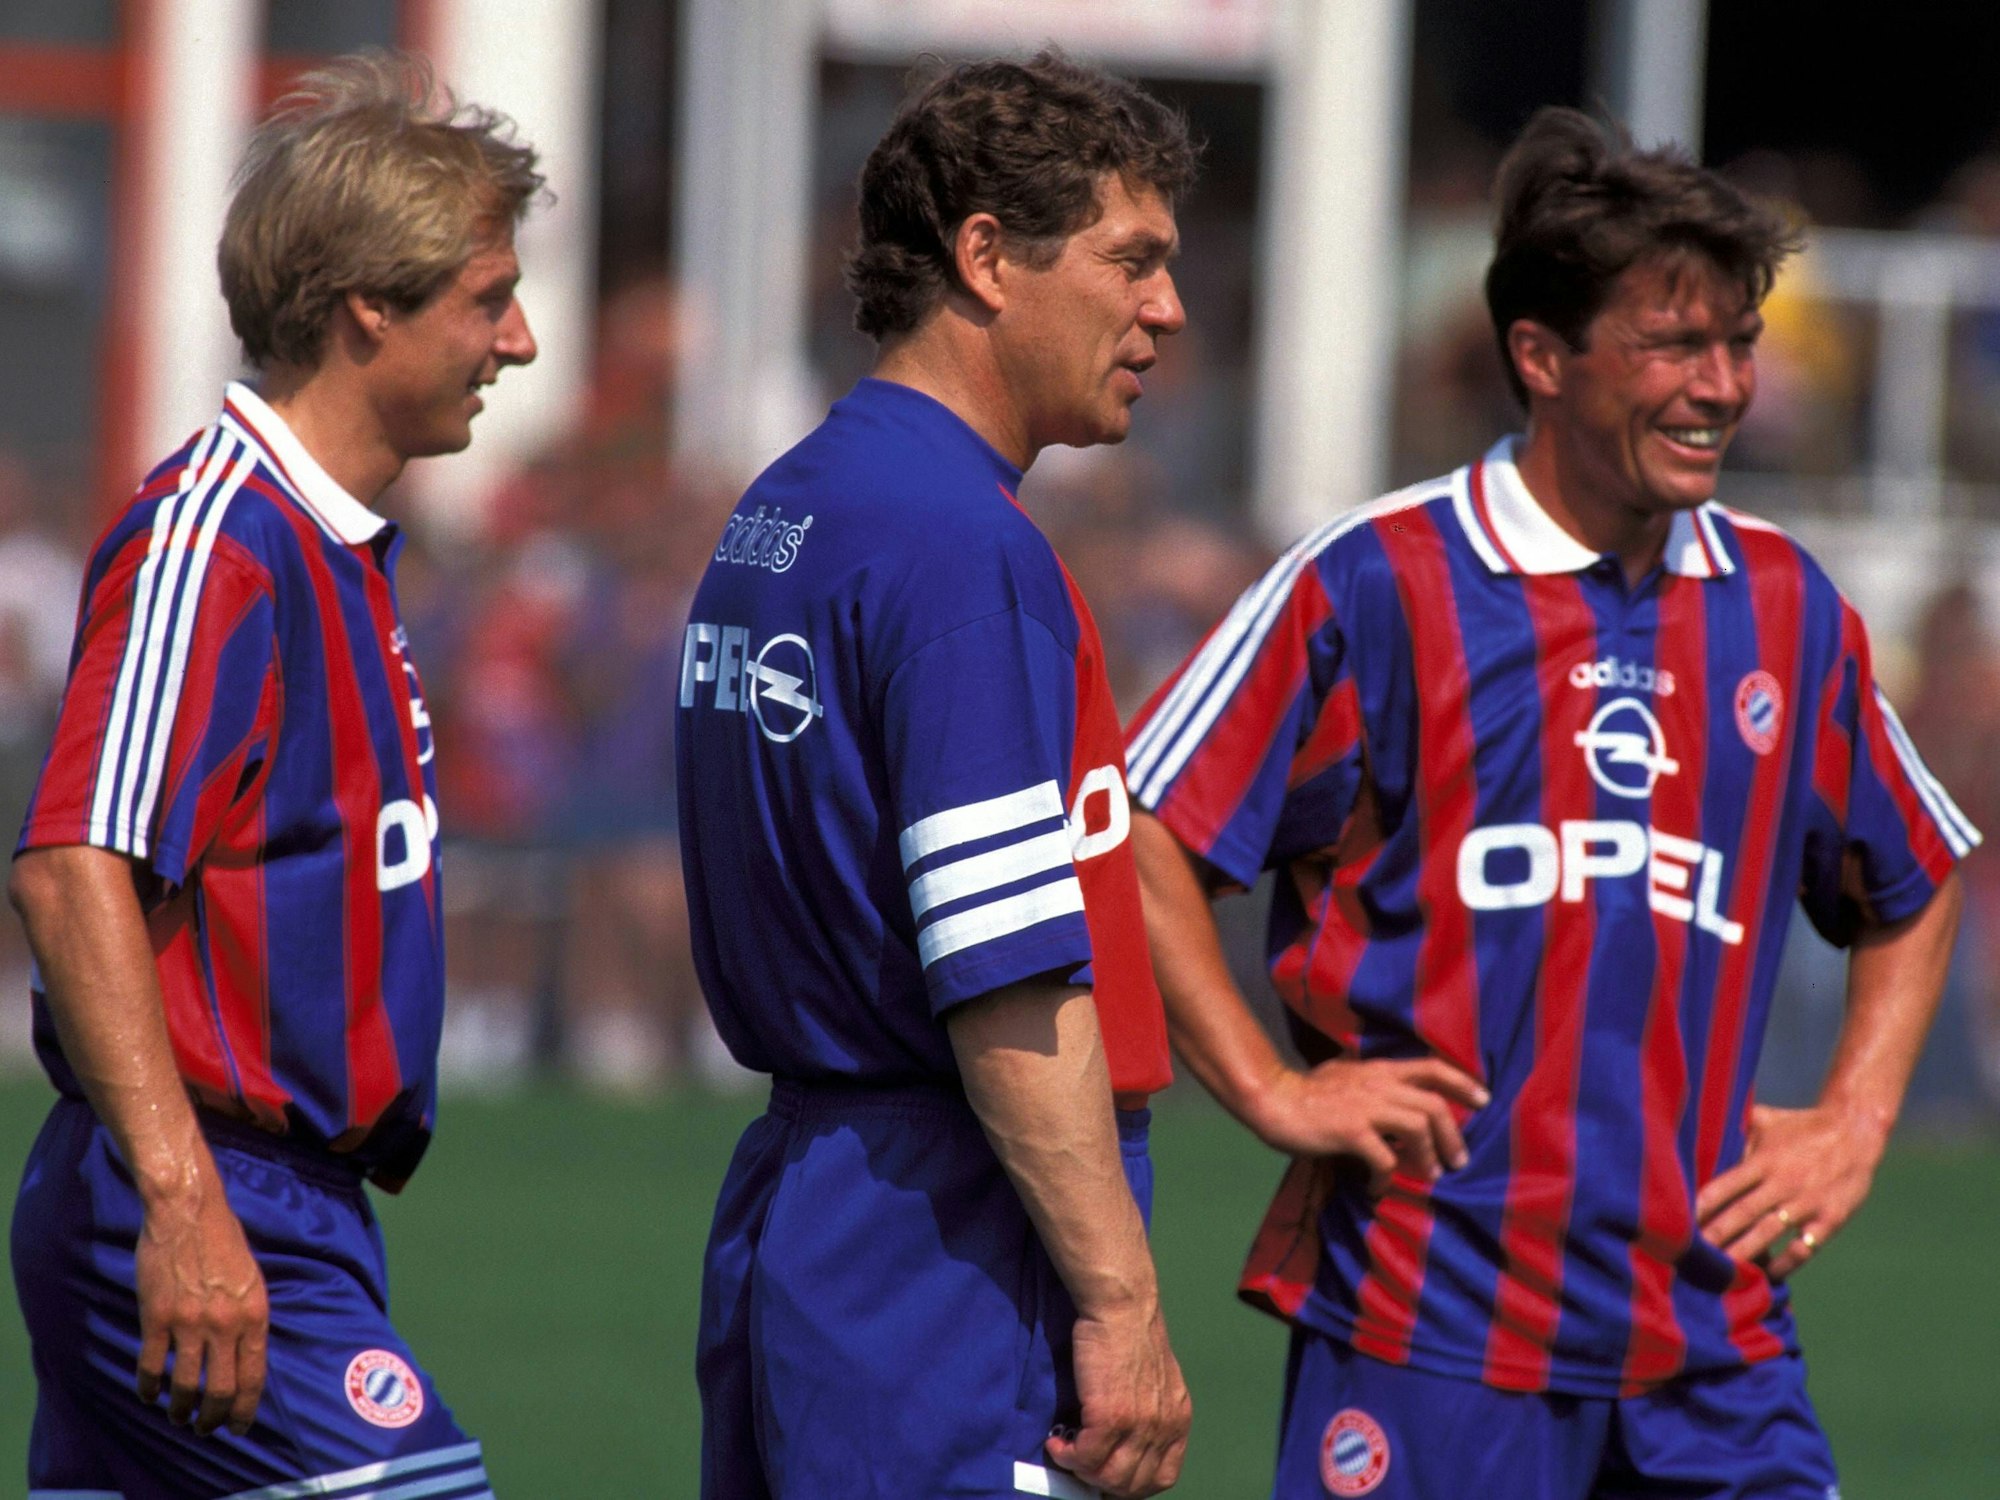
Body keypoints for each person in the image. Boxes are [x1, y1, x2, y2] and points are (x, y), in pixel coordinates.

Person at [1124, 107, 1977, 1499]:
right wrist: (1277, 1090)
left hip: (1712, 1344)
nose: (1723, 387)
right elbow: (1148, 830)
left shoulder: (1782, 608)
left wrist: (1853, 1121)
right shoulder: (1379, 581)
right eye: (1673, 345)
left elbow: (1918, 872)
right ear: (1541, 357)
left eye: (1740, 344)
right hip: (1431, 1328)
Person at [9, 51, 539, 1499]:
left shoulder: (332, 548)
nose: (523, 341)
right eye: (489, 300)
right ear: (372, 305)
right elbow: (70, 870)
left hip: (286, 1203)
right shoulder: (219, 541)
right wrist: (184, 1206)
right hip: (187, 1192)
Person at [676, 51, 1195, 1500]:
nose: (1166, 309)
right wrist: (1123, 1302)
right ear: (987, 257)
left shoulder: (782, 509)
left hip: (808, 1209)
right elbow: (1007, 982)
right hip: (945, 1243)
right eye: (1133, 261)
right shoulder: (962, 547)